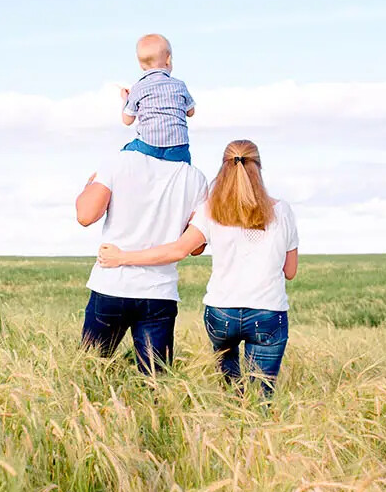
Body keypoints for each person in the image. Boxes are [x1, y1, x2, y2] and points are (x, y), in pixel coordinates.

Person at [98, 139, 298, 395]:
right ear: (258, 167)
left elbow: (179, 250)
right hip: (269, 312)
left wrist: (122, 257)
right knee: (261, 398)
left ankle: (232, 418)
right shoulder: (283, 212)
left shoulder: (211, 210)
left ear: (224, 168)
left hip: (221, 313)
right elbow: (290, 272)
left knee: (232, 393)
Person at [74, 132, 208, 374]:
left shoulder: (118, 162)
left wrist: (88, 187)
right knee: (156, 384)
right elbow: (196, 247)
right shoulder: (195, 178)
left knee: (88, 372)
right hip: (159, 292)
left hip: (112, 285)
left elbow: (85, 216)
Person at [118, 33, 196, 164]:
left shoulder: (138, 87)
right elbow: (191, 112)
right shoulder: (180, 85)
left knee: (124, 153)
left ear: (141, 65)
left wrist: (125, 99)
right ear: (168, 60)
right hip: (178, 147)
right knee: (185, 162)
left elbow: (127, 120)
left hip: (149, 146)